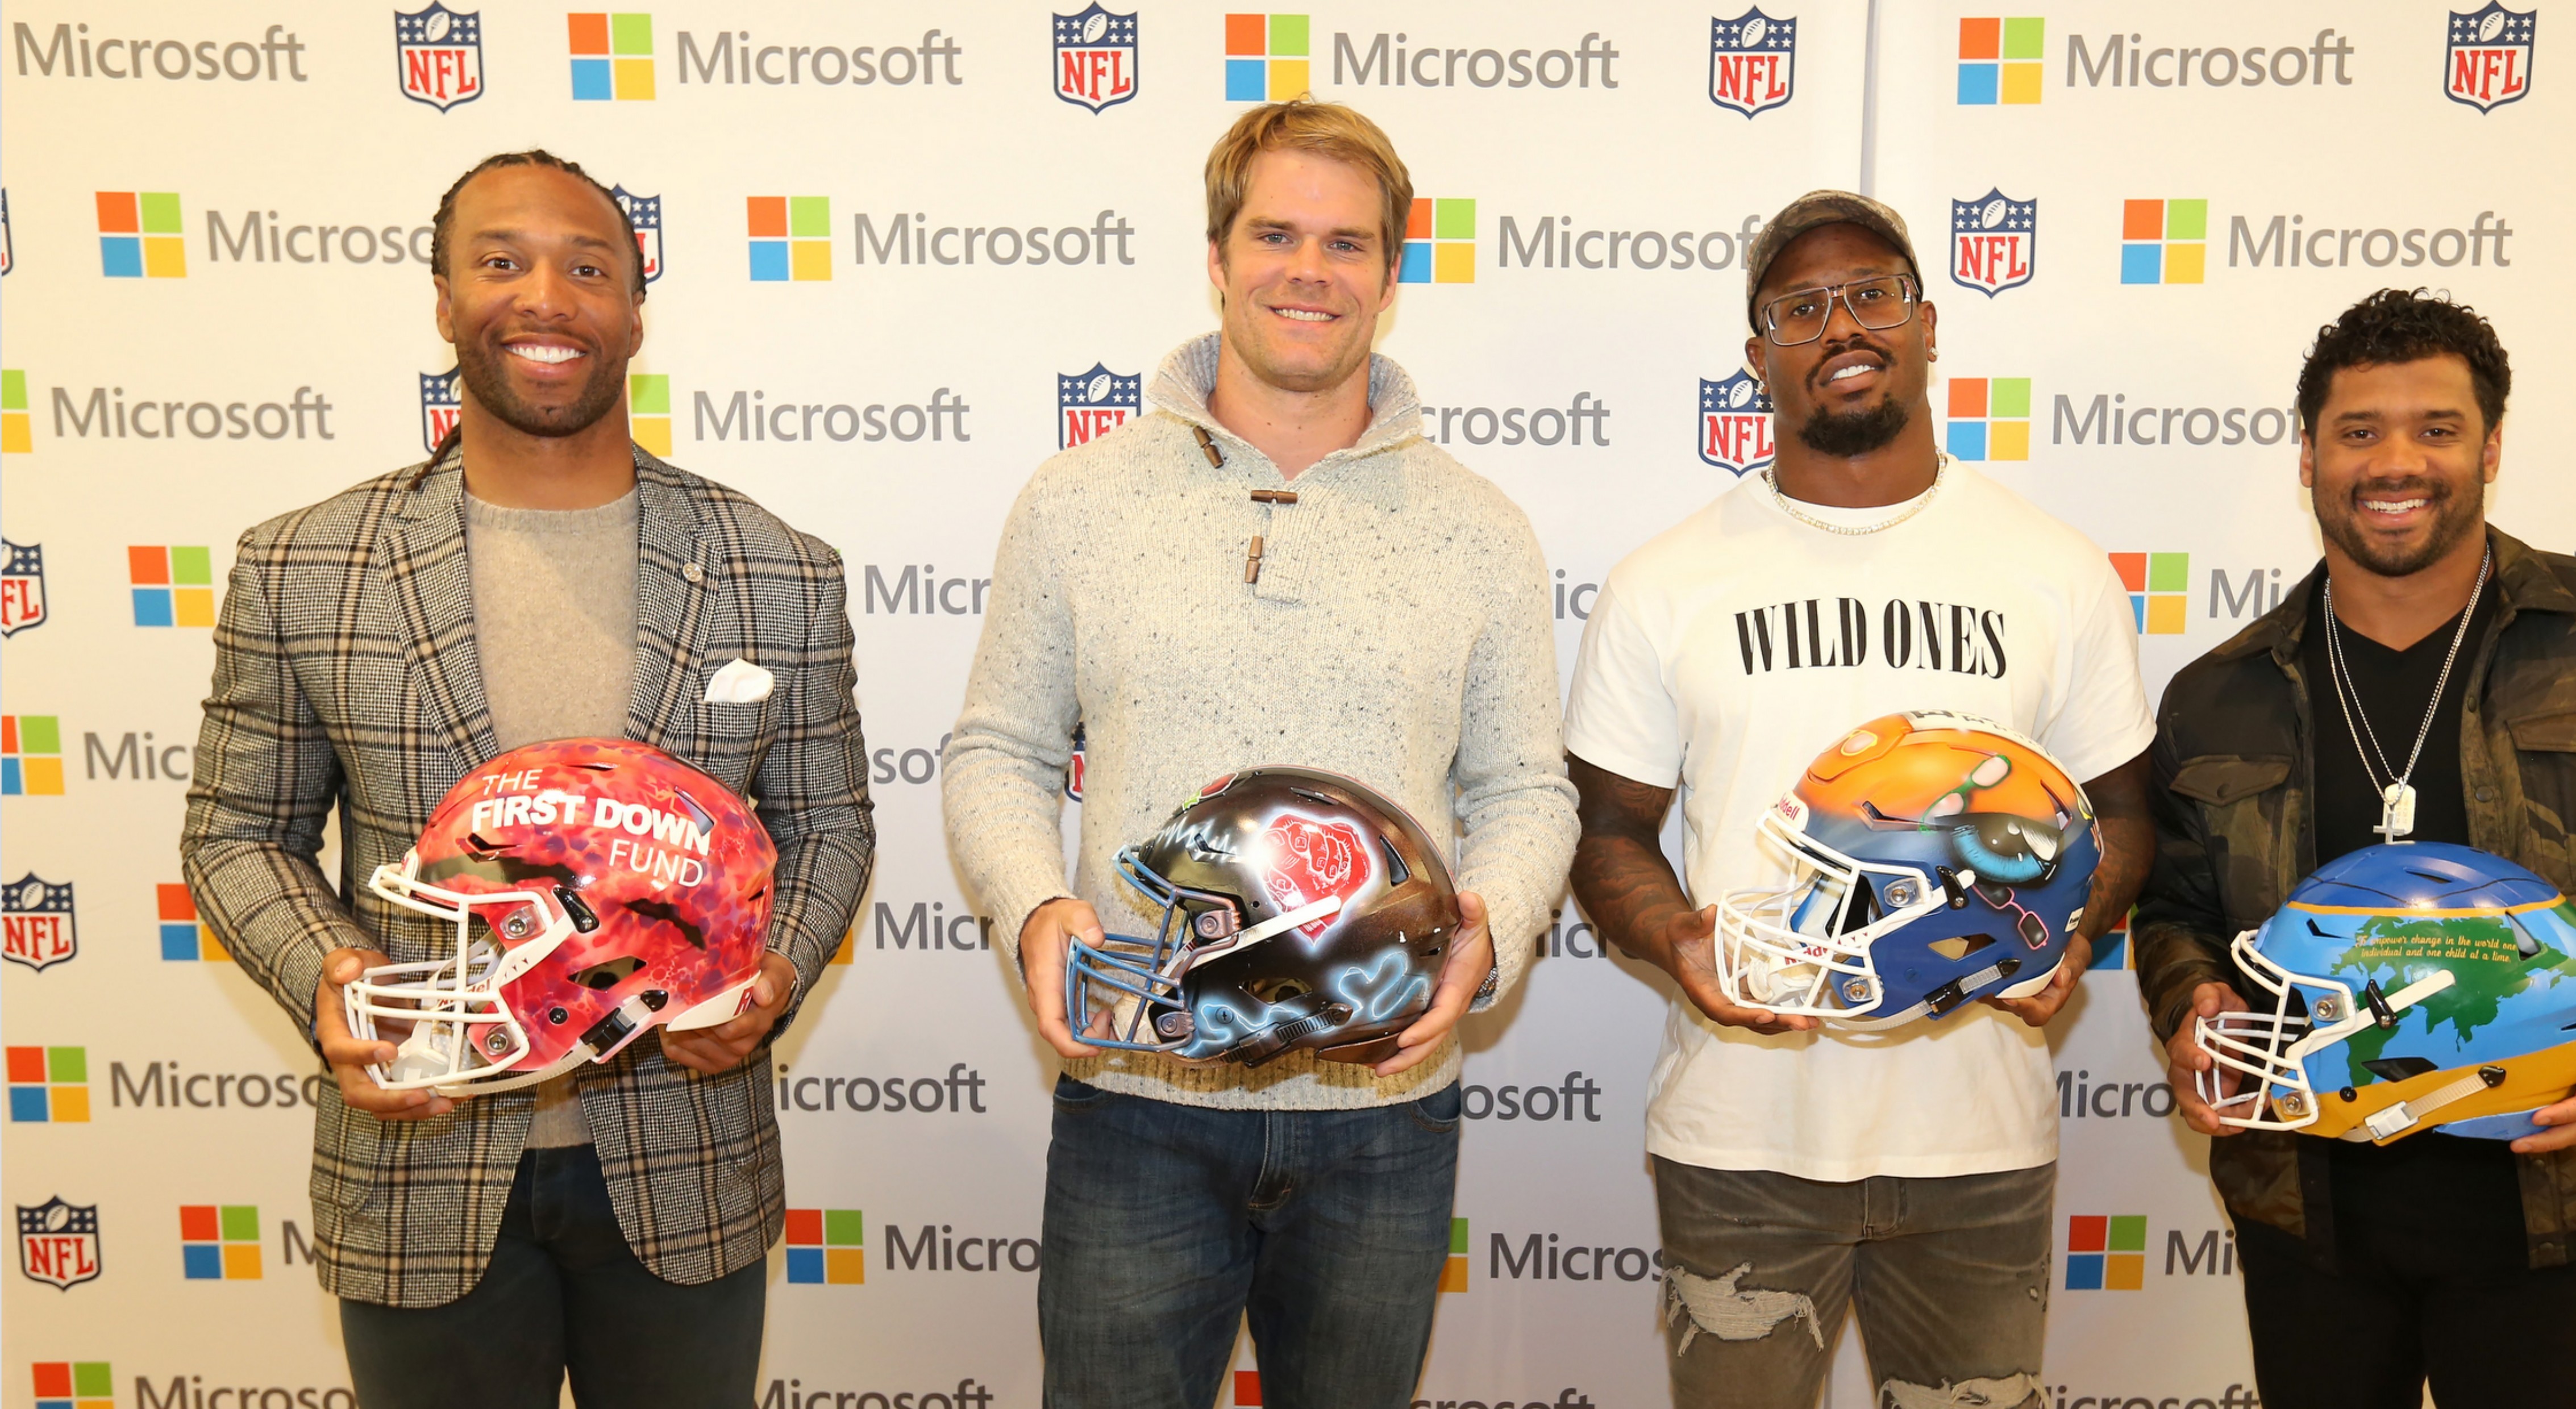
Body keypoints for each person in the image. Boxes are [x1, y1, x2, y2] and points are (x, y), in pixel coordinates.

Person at [181, 149, 874, 1409]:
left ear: (634, 310)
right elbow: (238, 832)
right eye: (501, 262)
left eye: (588, 266)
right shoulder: (302, 566)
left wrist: (767, 975)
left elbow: (826, 824)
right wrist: (333, 973)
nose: (545, 297)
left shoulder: (779, 567)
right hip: (418, 1161)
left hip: (686, 1163)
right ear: (444, 299)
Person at [939, 99, 1579, 1409]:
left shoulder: (1480, 527)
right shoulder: (1077, 502)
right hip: (1137, 1089)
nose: (1309, 269)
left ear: (1391, 277)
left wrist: (1492, 926)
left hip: (1383, 1111)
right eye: (1276, 233)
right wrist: (1036, 904)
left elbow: (1525, 788)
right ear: (1219, 257)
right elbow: (997, 748)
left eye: (1347, 244)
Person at [2134, 288, 2576, 1408]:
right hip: (2309, 1217)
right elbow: (2174, 911)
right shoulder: (2218, 694)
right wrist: (2189, 998)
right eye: (2359, 431)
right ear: (2307, 457)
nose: (2396, 461)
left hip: (2563, 1205)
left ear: (2490, 445)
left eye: (2434, 428)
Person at [1562, 190, 2156, 1408]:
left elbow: (2127, 810)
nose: (1842, 324)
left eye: (1872, 293)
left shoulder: (2052, 569)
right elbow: (1606, 827)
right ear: (1756, 356)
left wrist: (2074, 926)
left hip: (1979, 1138)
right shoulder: (1665, 582)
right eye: (1800, 305)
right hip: (1741, 1137)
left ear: (1928, 324)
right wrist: (1680, 937)